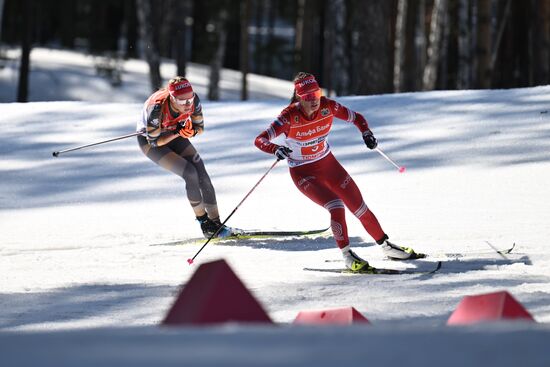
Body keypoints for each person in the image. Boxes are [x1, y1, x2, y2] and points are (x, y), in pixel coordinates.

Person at [254, 72, 424, 272]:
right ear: (299, 97)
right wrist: (275, 149)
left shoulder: (328, 106)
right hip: (303, 173)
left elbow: (357, 118)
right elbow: (260, 139)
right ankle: (347, 256)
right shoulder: (288, 116)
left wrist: (366, 133)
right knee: (336, 206)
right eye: (307, 97)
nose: (313, 100)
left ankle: (386, 247)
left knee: (360, 207)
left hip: (328, 165)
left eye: (316, 94)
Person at [137, 76, 232, 238]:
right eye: (182, 102)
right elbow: (154, 142)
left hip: (175, 133)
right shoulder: (156, 108)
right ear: (172, 98)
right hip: (152, 142)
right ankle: (204, 223)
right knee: (189, 173)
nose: (187, 105)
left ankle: (216, 224)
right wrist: (176, 131)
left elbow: (200, 128)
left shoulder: (192, 100)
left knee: (202, 174)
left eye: (190, 99)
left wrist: (191, 131)